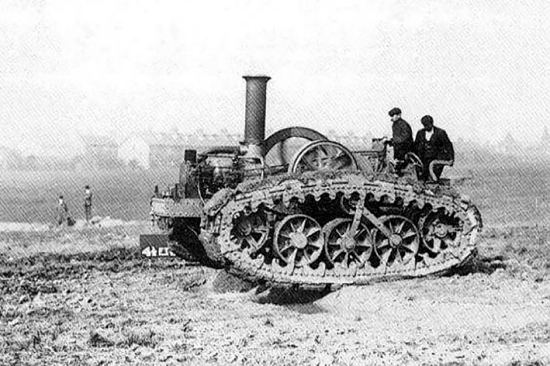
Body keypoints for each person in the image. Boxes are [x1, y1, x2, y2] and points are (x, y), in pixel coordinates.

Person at [414, 115, 455, 181]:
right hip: (423, 160)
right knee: (421, 178)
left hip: (436, 161)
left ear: (432, 123)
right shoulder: (420, 133)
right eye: (425, 125)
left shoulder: (440, 133)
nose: (427, 127)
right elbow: (416, 146)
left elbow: (448, 146)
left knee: (433, 178)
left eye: (428, 125)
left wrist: (451, 159)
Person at [387, 107, 414, 174]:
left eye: (393, 116)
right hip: (398, 147)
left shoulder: (403, 124)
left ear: (399, 115)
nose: (392, 118)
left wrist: (394, 140)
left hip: (405, 147)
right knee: (396, 161)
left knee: (401, 163)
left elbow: (405, 137)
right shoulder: (395, 124)